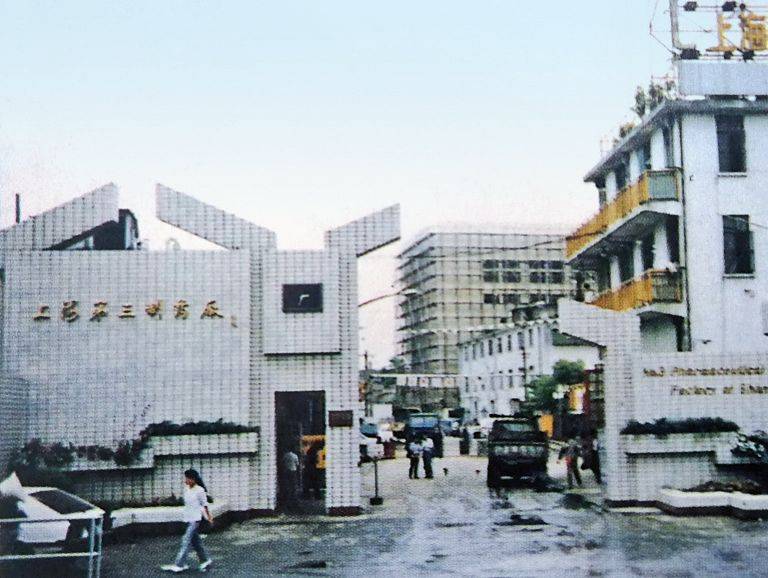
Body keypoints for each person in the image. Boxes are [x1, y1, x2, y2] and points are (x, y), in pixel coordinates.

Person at [161, 469, 214, 573]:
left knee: (185, 541)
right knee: (196, 542)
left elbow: (205, 505)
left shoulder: (200, 490)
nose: (187, 480)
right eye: (186, 478)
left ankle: (179, 564)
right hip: (188, 518)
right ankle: (205, 560)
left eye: (189, 478)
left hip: (195, 519)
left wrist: (209, 518)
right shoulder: (187, 489)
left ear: (194, 479)